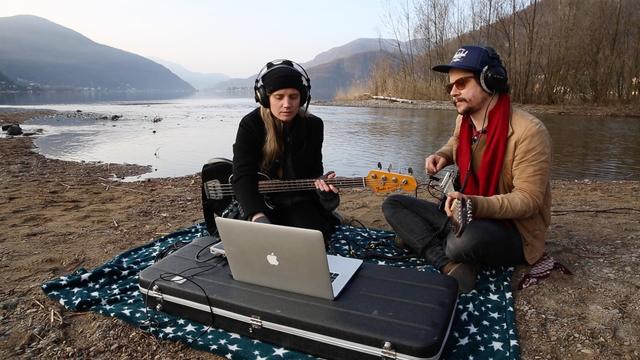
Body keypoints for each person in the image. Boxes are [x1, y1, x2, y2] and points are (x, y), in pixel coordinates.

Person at [382, 46, 552, 293]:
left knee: (462, 242)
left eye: (461, 83)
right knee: (393, 204)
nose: (453, 92)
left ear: (490, 80)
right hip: (463, 212)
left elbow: (529, 200)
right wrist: (442, 155)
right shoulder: (464, 119)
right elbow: (456, 143)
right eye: (449, 86)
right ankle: (449, 265)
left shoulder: (530, 132)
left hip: (512, 231)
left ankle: (429, 243)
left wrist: (473, 204)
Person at [232, 59, 340, 241]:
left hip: (298, 200)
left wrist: (324, 193)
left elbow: (314, 172)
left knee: (314, 239)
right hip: (260, 200)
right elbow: (243, 174)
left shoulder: (314, 125)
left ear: (303, 97)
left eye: (293, 96)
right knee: (257, 241)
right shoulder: (250, 124)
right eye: (279, 97)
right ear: (265, 98)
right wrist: (256, 215)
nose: (287, 104)